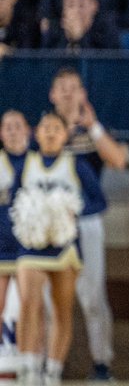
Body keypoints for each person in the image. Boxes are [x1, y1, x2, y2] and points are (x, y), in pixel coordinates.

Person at [47, 67, 127, 382]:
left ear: (83, 94)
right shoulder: (44, 129)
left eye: (74, 87)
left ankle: (102, 364)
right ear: (52, 95)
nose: (68, 92)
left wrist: (92, 126)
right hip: (50, 225)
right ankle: (48, 364)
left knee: (92, 295)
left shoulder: (92, 131)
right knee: (47, 298)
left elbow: (119, 160)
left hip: (87, 220)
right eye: (61, 87)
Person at [14, 111, 104, 386]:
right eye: (45, 128)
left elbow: (99, 201)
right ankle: (28, 367)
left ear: (66, 135)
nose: (51, 132)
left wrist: (69, 210)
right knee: (29, 302)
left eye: (56, 128)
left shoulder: (76, 165)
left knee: (62, 310)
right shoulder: (26, 165)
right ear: (36, 133)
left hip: (66, 248)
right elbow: (16, 204)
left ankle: (53, 371)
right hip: (32, 247)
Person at [0, 111, 29, 319]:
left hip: (30, 248)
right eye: (7, 127)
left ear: (28, 130)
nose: (12, 131)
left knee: (31, 308)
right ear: (1, 133)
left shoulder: (37, 162)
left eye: (17, 126)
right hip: (1, 246)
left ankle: (33, 352)